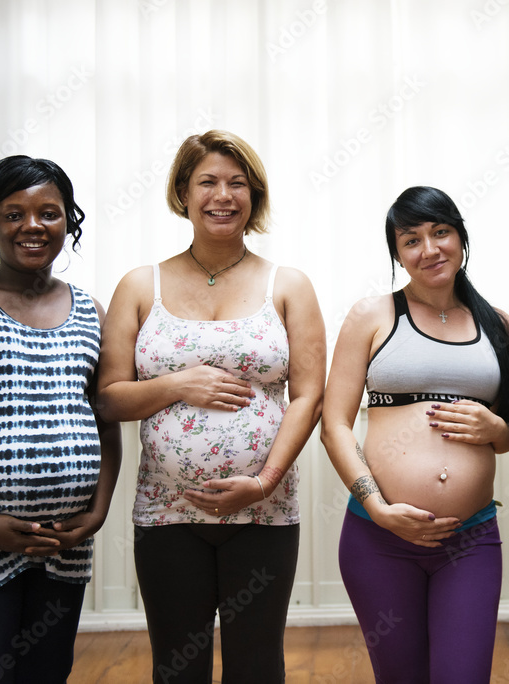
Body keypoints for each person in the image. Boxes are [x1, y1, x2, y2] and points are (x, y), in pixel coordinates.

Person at [97, 130, 325, 683]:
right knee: (177, 667)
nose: (222, 195)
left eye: (237, 183)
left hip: (264, 511)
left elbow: (311, 395)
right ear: (183, 192)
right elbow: (108, 398)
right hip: (167, 512)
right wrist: (179, 385)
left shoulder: (288, 284)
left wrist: (266, 480)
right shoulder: (139, 285)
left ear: (254, 195)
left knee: (257, 665)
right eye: (208, 182)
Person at [0, 155, 122, 683]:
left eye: (49, 213)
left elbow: (105, 420)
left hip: (63, 546)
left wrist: (97, 511)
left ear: (68, 223)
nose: (32, 226)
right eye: (14, 214)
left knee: (47, 672)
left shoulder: (90, 311)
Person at [320, 186, 509, 683]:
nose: (429, 249)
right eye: (411, 240)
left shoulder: (498, 326)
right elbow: (334, 426)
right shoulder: (372, 315)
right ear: (398, 254)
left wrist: (498, 427)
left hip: (468, 539)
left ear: (460, 238)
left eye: (441, 233)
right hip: (379, 538)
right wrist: (379, 508)